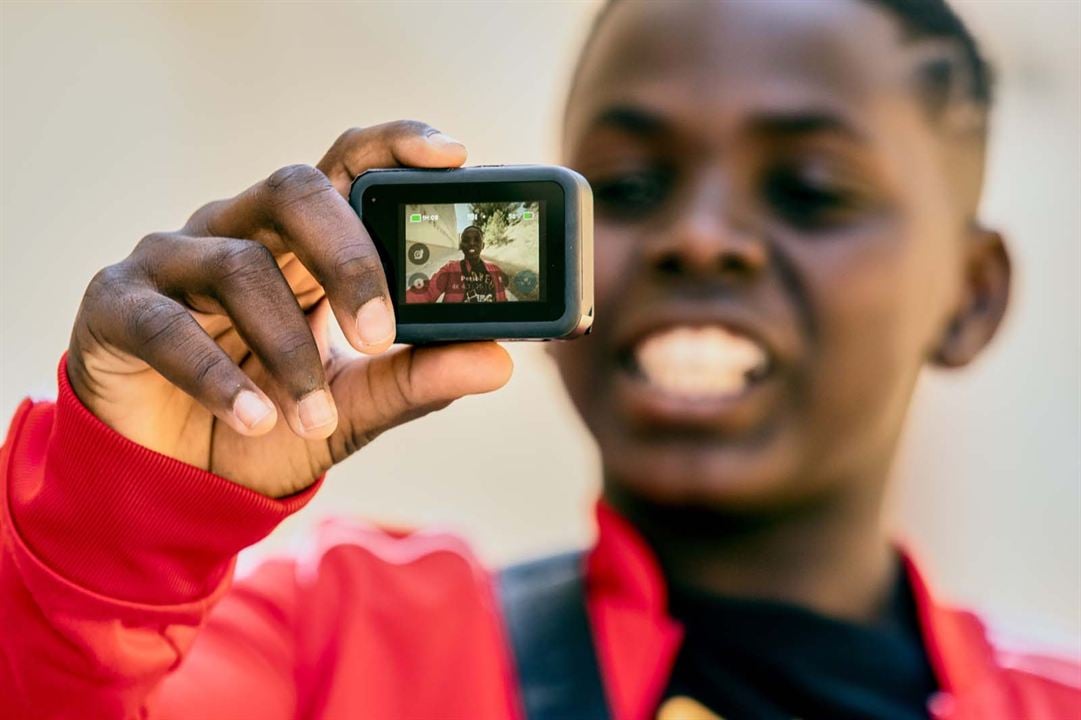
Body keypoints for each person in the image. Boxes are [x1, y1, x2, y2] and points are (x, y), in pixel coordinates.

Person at [1, 1, 1078, 719]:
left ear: (969, 295)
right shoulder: (330, 648)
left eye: (810, 191)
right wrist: (114, 532)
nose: (697, 238)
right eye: (629, 184)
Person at [406, 225, 509, 303]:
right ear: (461, 245)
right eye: (466, 240)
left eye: (476, 240)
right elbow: (428, 292)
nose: (472, 243)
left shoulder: (495, 270)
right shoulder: (450, 269)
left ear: (483, 245)